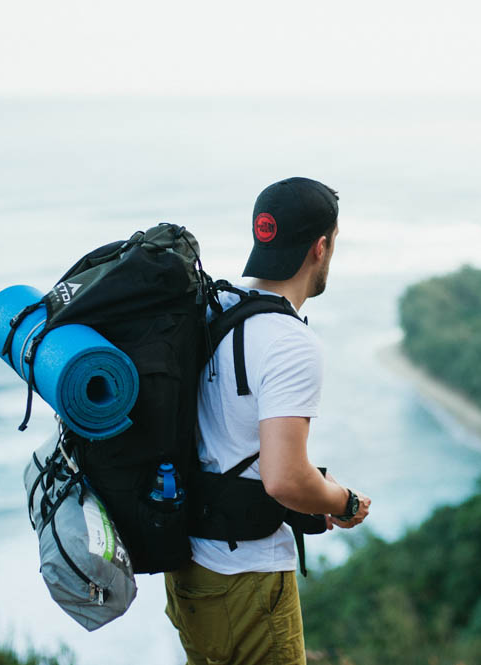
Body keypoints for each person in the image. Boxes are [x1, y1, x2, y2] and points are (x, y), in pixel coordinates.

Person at [165, 177, 372, 664]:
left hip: (193, 571)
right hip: (248, 581)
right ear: (321, 247)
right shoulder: (289, 342)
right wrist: (341, 501)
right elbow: (282, 478)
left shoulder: (217, 304)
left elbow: (228, 442)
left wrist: (307, 498)